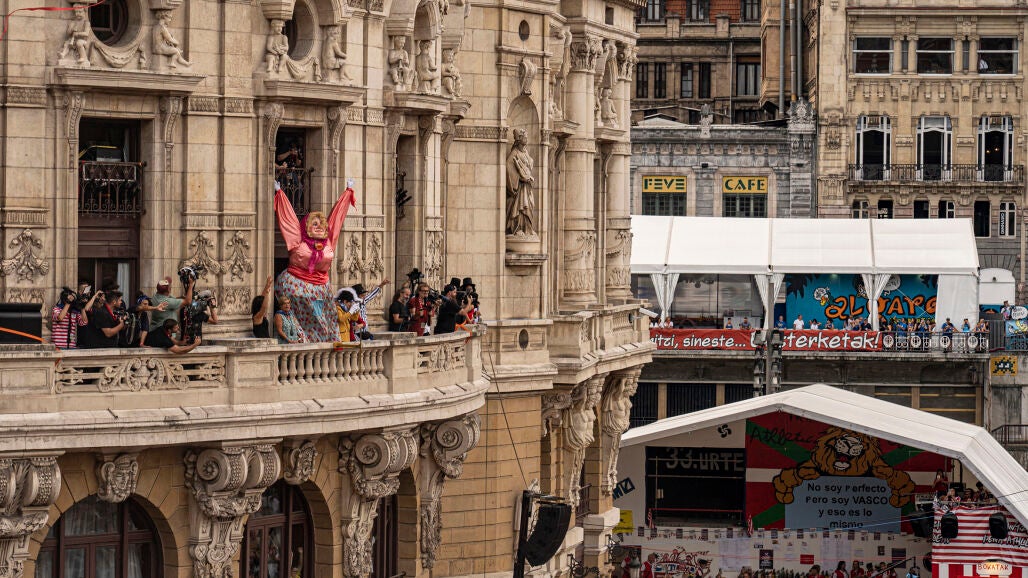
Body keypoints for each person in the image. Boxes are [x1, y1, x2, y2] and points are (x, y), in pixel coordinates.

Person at [273, 179, 357, 342]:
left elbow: (337, 219)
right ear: (306, 227)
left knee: (326, 318)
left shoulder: (329, 242)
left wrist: (347, 193)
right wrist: (280, 194)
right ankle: (301, 339)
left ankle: (326, 343)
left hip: (321, 287)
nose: (320, 227)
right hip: (297, 284)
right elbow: (288, 219)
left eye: (322, 225)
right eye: (315, 224)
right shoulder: (298, 240)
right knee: (306, 314)